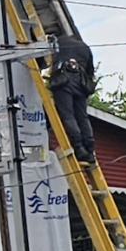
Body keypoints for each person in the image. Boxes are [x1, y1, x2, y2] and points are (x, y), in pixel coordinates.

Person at [49, 33, 97, 164]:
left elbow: (42, 55)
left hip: (63, 80)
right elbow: (90, 72)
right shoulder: (85, 47)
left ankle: (79, 147)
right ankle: (89, 147)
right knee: (82, 116)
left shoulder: (59, 41)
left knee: (68, 115)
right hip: (80, 83)